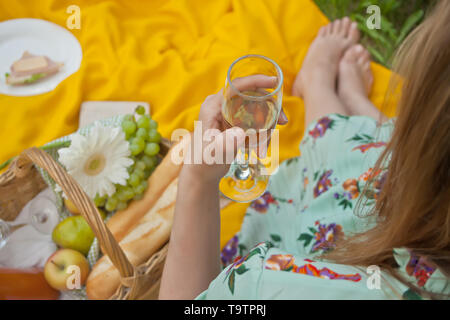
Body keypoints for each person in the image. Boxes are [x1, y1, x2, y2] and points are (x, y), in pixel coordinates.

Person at [159, 0, 449, 300]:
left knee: (335, 148)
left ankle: (318, 86)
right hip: (418, 254)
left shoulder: (262, 288)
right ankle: (350, 98)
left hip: (339, 253)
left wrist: (197, 176)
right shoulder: (434, 197)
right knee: (353, 149)